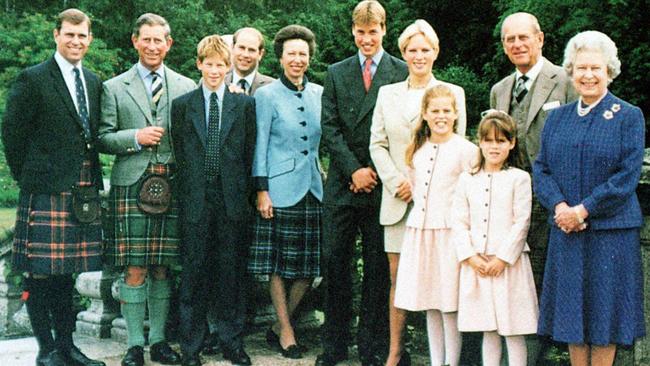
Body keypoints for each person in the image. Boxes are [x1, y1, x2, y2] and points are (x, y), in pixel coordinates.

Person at [1, 8, 106, 366]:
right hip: (43, 188)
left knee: (67, 274)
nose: (76, 41)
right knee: (39, 274)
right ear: (56, 35)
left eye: (82, 36)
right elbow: (12, 135)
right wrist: (29, 177)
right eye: (69, 34)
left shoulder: (93, 81)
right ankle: (46, 350)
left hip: (80, 190)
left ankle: (68, 347)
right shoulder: (33, 79)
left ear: (89, 39)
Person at [534, 31, 645, 366]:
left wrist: (582, 210)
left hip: (610, 234)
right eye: (581, 67)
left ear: (609, 70)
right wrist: (560, 207)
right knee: (572, 319)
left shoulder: (628, 115)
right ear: (571, 70)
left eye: (596, 68)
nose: (588, 75)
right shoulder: (557, 118)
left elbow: (626, 177)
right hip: (567, 233)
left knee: (604, 319)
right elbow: (541, 169)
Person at [98, 13, 195, 366]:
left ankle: (159, 342)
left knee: (162, 268)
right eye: (147, 40)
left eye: (160, 40)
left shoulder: (187, 86)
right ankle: (134, 345)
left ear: (169, 44)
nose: (153, 46)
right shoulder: (113, 87)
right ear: (135, 41)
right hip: (131, 181)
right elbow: (102, 138)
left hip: (171, 182)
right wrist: (135, 138)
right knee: (134, 268)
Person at [369, 20, 467, 366]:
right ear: (403, 53)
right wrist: (397, 181)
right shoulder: (387, 93)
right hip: (399, 202)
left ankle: (442, 358)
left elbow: (459, 153)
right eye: (412, 49)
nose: (419, 55)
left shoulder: (453, 93)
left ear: (435, 52)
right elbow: (377, 144)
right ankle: (396, 351)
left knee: (442, 281)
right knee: (400, 281)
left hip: (441, 209)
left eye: (425, 49)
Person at [318, 1, 408, 365]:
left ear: (384, 30)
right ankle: (333, 345)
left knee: (376, 270)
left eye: (373, 31)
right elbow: (330, 127)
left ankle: (372, 346)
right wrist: (354, 169)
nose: (367, 38)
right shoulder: (336, 72)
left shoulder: (400, 71)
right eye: (361, 31)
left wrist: (374, 170)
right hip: (343, 184)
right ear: (352, 32)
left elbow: (399, 130)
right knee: (334, 264)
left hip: (383, 184)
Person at [171, 34, 256, 366]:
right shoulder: (183, 106)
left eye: (221, 65)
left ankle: (231, 342)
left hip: (232, 200)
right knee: (193, 274)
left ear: (229, 66)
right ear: (199, 64)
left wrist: (244, 195)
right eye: (209, 64)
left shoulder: (244, 104)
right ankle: (191, 347)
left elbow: (249, 153)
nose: (215, 70)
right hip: (195, 200)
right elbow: (180, 150)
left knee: (231, 275)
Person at [248, 24, 323, 360]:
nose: (297, 59)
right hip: (278, 189)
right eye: (291, 53)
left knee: (309, 268)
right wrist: (261, 190)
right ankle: (287, 332)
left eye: (303, 54)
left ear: (309, 58)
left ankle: (281, 324)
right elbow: (260, 144)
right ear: (279, 58)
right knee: (278, 265)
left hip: (313, 189)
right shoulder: (265, 95)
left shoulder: (320, 93)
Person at [490, 11, 576, 293]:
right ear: (504, 46)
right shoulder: (499, 90)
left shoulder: (567, 81)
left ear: (539, 39)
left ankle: (551, 338)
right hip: (511, 197)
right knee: (516, 276)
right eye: (510, 39)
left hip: (555, 196)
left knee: (552, 275)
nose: (517, 44)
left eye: (523, 37)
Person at [390, 85, 475, 366]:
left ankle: (452, 361)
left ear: (455, 114)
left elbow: (471, 197)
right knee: (430, 304)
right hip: (421, 233)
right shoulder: (417, 150)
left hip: (449, 234)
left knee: (448, 304)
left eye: (446, 111)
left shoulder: (466, 150)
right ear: (425, 114)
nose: (441, 116)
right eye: (435, 111)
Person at [201, 26, 273, 357]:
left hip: (256, 188)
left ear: (260, 54)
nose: (244, 54)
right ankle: (215, 330)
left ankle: (237, 331)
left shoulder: (270, 88)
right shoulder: (212, 80)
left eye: (251, 49)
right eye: (239, 47)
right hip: (217, 192)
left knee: (241, 265)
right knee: (214, 262)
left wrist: (262, 187)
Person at [453, 110, 538, 366]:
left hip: (508, 266)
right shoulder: (467, 179)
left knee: (512, 328)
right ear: (479, 141)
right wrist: (470, 256)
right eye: (488, 140)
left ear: (511, 143)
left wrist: (503, 258)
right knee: (487, 328)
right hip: (478, 264)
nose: (494, 146)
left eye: (501, 141)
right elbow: (459, 220)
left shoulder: (519, 179)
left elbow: (521, 221)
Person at [225, 27, 274, 95]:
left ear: (260, 54)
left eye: (251, 50)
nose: (245, 55)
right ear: (232, 48)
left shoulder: (272, 88)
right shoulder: (218, 84)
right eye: (241, 48)